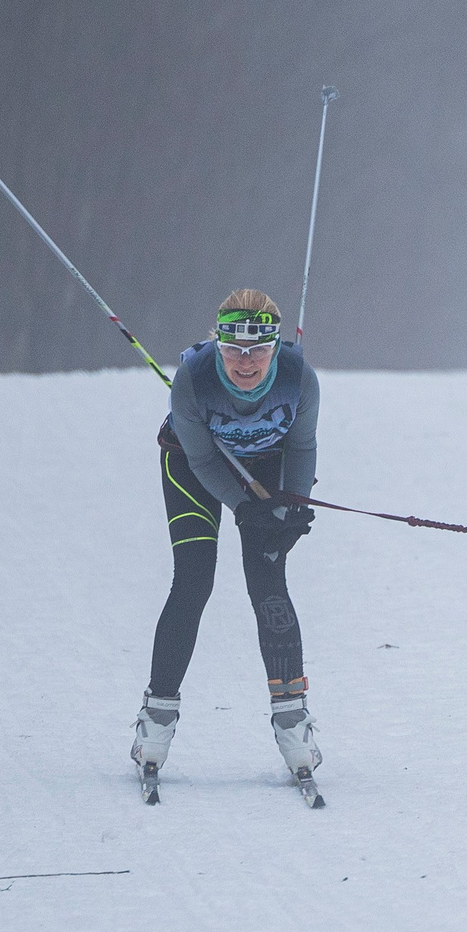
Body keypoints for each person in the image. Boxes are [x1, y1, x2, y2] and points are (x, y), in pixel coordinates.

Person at [130, 290, 321, 786]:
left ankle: (293, 724)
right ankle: (156, 722)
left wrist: (292, 509)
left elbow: (302, 446)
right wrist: (245, 508)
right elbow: (202, 461)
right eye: (233, 348)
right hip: (193, 468)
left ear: (275, 347)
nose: (245, 361)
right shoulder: (194, 379)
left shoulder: (299, 378)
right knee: (194, 580)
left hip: (268, 467)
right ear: (218, 344)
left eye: (257, 350)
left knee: (268, 582)